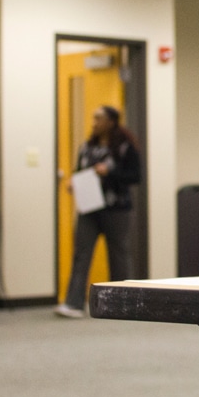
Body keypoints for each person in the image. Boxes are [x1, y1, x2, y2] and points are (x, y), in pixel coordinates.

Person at [56, 105, 141, 318]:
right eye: (93, 118)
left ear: (111, 122)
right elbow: (80, 171)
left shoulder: (125, 148)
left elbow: (135, 176)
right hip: (89, 208)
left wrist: (109, 172)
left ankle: (123, 304)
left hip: (117, 209)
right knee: (81, 254)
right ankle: (73, 303)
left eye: (98, 118)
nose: (94, 123)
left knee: (119, 256)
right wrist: (73, 182)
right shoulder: (86, 147)